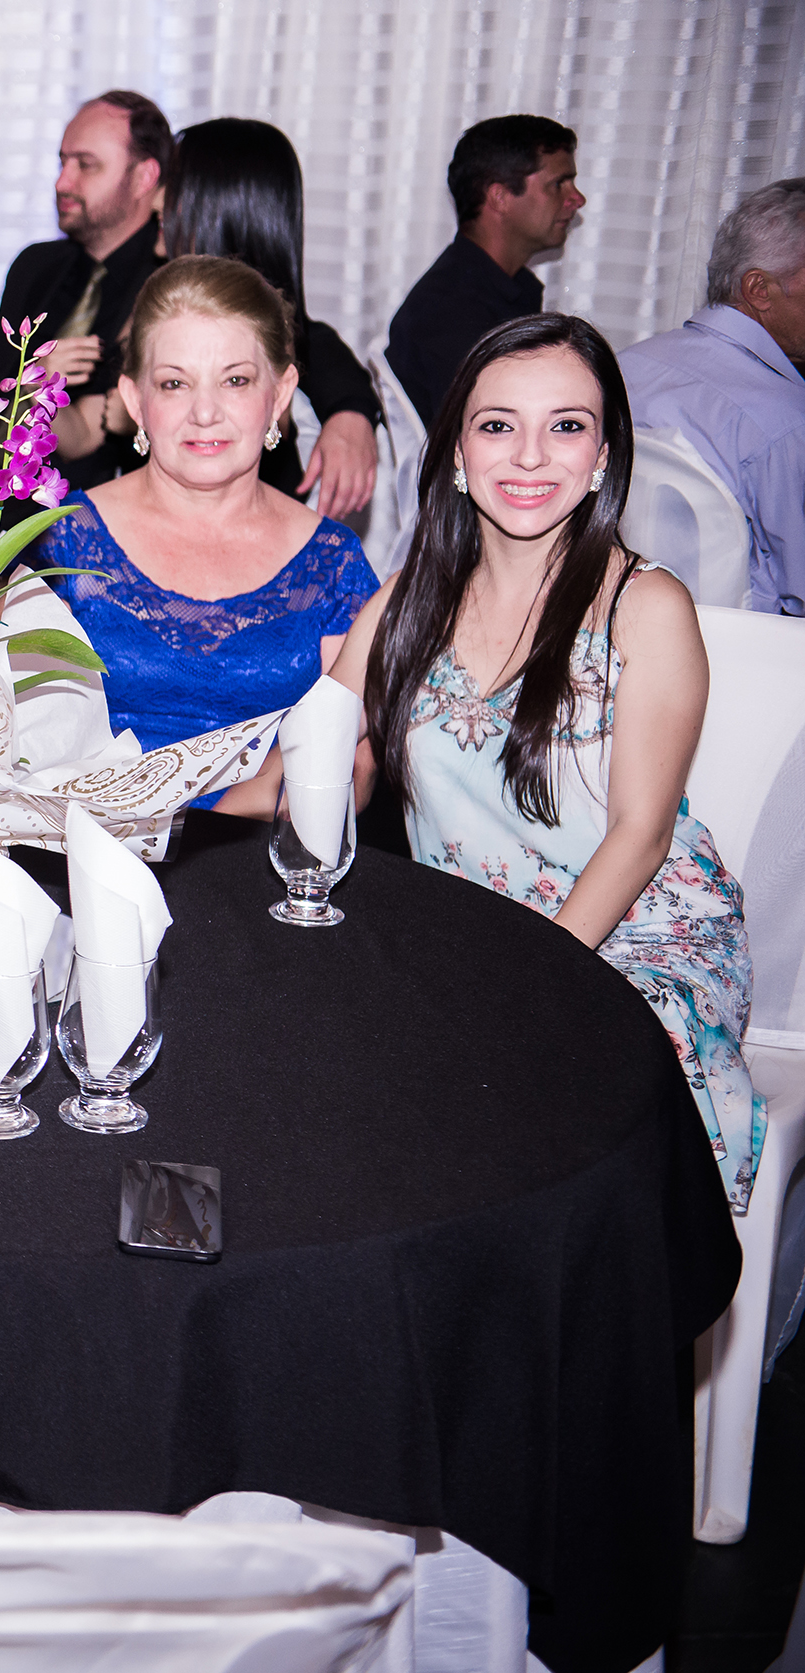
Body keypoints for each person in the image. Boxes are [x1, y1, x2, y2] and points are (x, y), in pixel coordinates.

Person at [318, 313, 765, 1214]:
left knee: (526, 1089)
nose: (529, 455)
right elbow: (314, 757)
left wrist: (527, 983)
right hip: (466, 940)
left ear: (602, 455)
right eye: (497, 425)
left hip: (633, 940)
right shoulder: (405, 603)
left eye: (565, 425)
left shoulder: (646, 607)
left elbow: (640, 835)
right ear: (455, 453)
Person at [36, 256, 377, 804]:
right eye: (174, 384)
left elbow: (355, 765)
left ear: (280, 393)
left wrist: (220, 833)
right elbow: (14, 739)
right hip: (82, 839)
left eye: (235, 380)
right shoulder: (61, 540)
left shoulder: (332, 562)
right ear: (135, 400)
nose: (204, 412)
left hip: (263, 851)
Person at [91, 117, 382, 519]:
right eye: (175, 383)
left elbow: (322, 355)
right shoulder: (142, 286)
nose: (155, 201)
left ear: (219, 204)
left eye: (174, 184)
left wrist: (352, 414)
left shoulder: (291, 343)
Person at [618, 178, 805, 615]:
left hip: (621, 616)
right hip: (745, 644)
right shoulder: (785, 424)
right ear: (758, 290)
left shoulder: (625, 367)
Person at [0, 91, 171, 496]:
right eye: (62, 162)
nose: (62, 183)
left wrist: (332, 406)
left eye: (86, 164)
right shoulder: (35, 266)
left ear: (144, 177)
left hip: (94, 510)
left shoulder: (168, 284)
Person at [386, 115, 583, 425]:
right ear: (500, 197)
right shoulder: (451, 313)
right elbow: (488, 436)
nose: (577, 199)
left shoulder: (501, 289)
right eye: (558, 184)